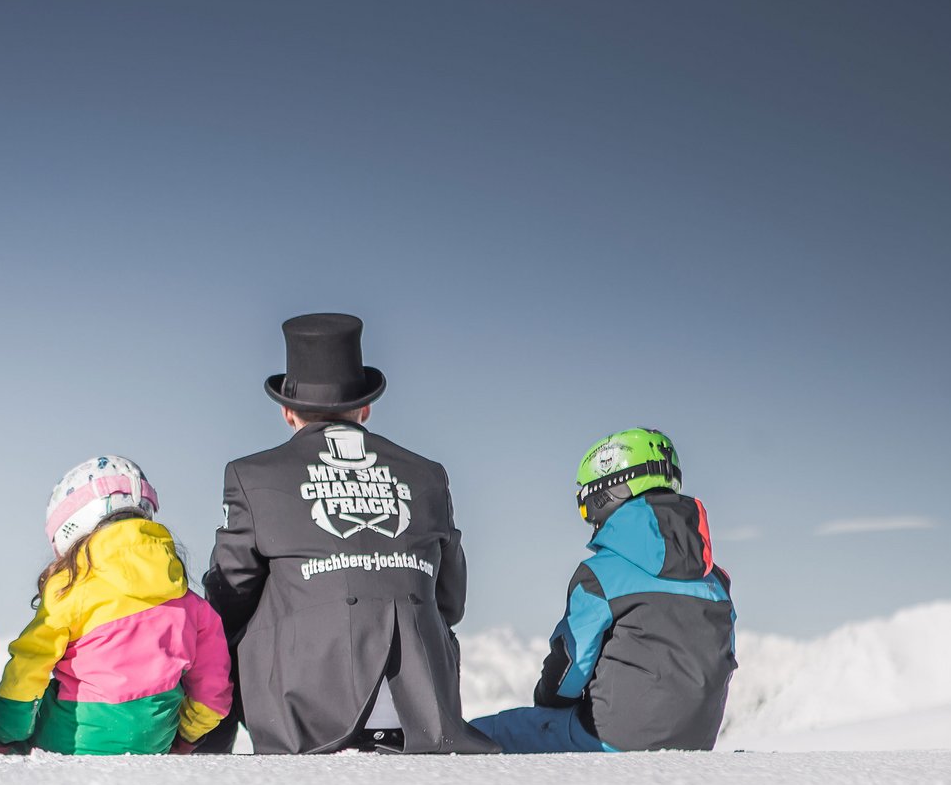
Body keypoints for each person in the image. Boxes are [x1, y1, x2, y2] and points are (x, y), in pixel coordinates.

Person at [198, 313, 496, 754]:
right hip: (423, 714)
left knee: (231, 615)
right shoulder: (427, 474)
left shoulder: (252, 475)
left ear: (286, 411)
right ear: (366, 407)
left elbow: (229, 594)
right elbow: (450, 601)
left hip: (305, 717)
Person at [472, 429, 736, 752]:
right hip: (698, 741)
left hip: (610, 738)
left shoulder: (599, 575)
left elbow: (568, 674)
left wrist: (546, 700)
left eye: (585, 504)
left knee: (484, 734)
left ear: (606, 493)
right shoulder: (716, 581)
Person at [0, 456, 232, 755]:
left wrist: (2, 736)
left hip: (69, 740)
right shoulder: (192, 605)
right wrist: (185, 738)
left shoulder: (68, 589)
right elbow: (211, 697)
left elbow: (27, 672)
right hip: (155, 740)